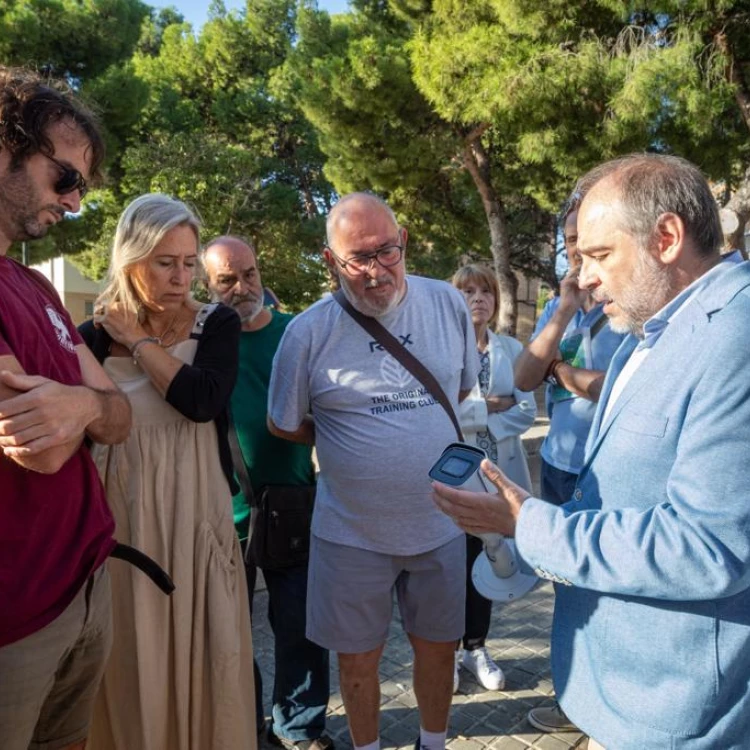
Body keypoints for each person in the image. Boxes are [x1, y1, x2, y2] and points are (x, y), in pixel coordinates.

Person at [432, 153, 750, 750]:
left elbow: (710, 548)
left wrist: (530, 524)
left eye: (599, 255)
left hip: (682, 710)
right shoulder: (648, 331)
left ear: (667, 238)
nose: (585, 277)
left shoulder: (737, 336)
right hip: (626, 692)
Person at [267, 193, 479, 750]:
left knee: (439, 649)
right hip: (350, 534)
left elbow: (456, 393)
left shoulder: (447, 303)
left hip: (441, 521)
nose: (376, 271)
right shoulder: (307, 333)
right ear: (330, 260)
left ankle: (432, 744)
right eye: (356, 259)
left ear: (403, 239)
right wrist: (345, 437)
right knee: (357, 662)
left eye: (387, 251)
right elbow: (284, 423)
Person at [78, 194, 256, 750]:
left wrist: (140, 341)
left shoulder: (216, 322)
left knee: (209, 654)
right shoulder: (92, 336)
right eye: (165, 262)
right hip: (123, 524)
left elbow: (201, 401)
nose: (182, 276)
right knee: (131, 660)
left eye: (188, 260)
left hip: (194, 517)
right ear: (131, 259)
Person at [0, 67, 132, 750]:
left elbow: (118, 418)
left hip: (83, 594)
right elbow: (43, 445)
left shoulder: (37, 290)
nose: (76, 203)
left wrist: (81, 405)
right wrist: (89, 409)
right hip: (11, 626)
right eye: (65, 178)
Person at [203, 235, 333, 750]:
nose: (242, 287)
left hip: (295, 505)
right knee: (229, 635)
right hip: (221, 511)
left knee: (300, 626)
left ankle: (298, 730)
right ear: (207, 285)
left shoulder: (295, 333)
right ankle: (244, 726)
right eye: (227, 280)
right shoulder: (201, 341)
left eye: (249, 274)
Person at [513, 200, 625, 733]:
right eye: (569, 239)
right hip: (558, 467)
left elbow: (620, 388)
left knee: (607, 591)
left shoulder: (629, 297)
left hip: (604, 473)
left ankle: (607, 708)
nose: (576, 248)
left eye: (585, 236)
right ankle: (575, 702)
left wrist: (562, 372)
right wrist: (561, 311)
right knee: (565, 587)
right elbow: (521, 375)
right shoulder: (565, 304)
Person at [450, 263, 536, 693]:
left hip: (498, 474)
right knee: (450, 563)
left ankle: (476, 647)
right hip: (456, 473)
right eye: (467, 291)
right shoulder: (442, 350)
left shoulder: (511, 349)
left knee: (488, 558)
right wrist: (489, 409)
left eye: (485, 291)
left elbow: (525, 409)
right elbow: (443, 413)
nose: (478, 298)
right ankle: (446, 650)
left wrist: (490, 417)